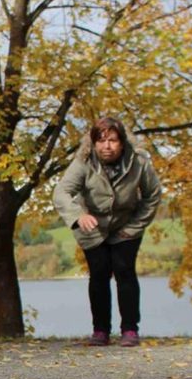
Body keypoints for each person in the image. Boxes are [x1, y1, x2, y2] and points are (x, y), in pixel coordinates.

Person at [53, 117, 162, 347]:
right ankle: (101, 330)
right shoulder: (83, 162)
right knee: (99, 273)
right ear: (93, 143)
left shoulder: (139, 162)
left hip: (126, 224)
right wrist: (78, 216)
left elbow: (153, 195)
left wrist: (135, 226)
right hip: (92, 226)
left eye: (113, 140)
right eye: (101, 141)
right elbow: (61, 192)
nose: (107, 146)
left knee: (124, 271)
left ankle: (130, 329)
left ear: (122, 142)